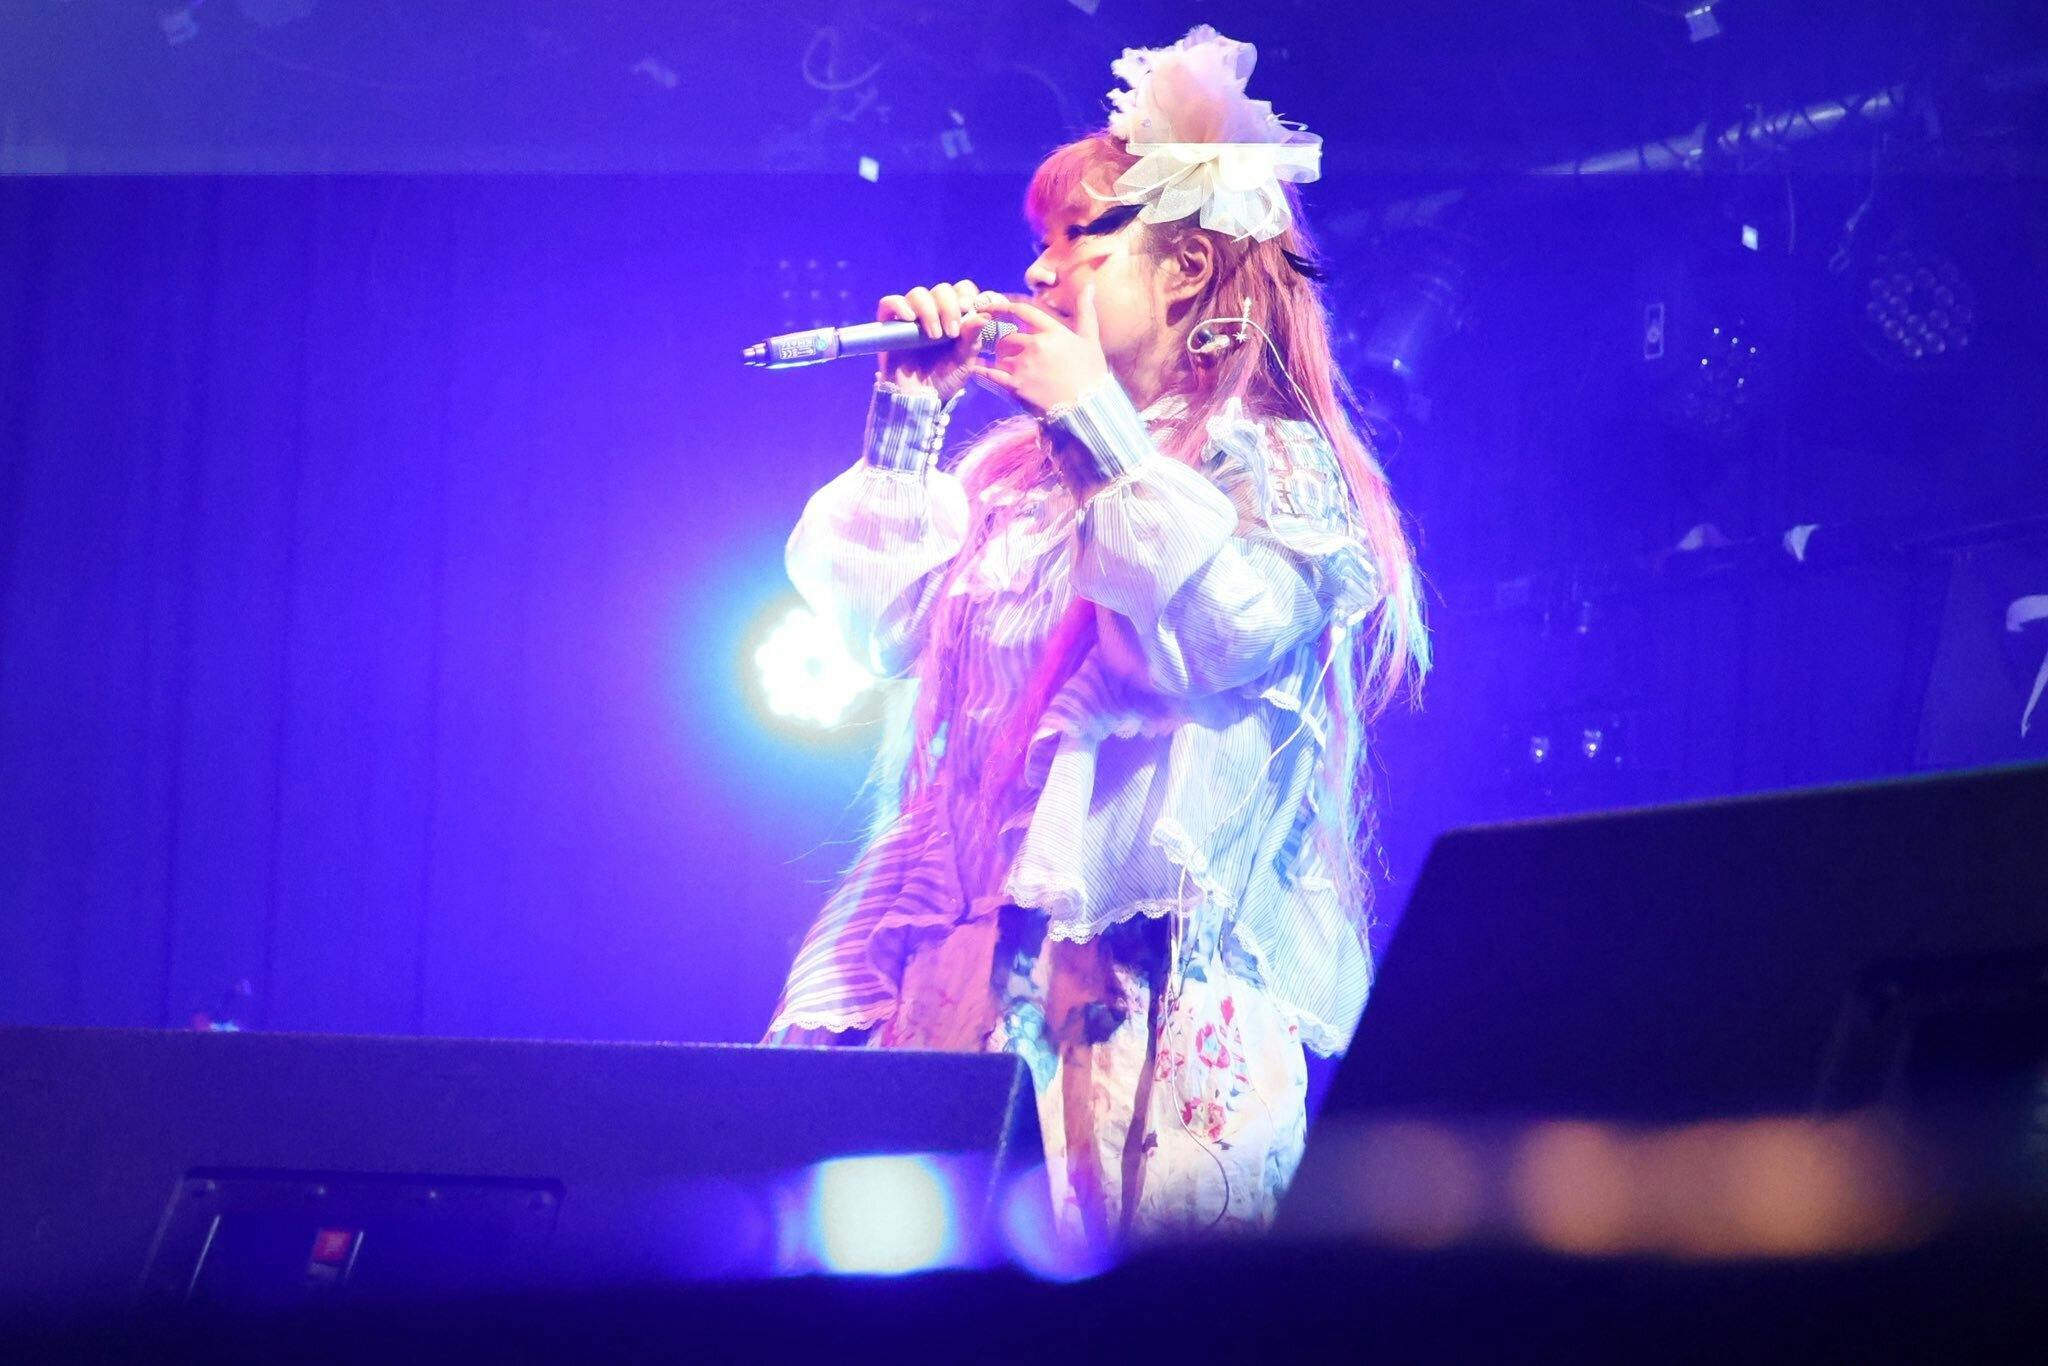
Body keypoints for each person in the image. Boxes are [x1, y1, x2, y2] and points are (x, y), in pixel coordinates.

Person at [764, 26, 1428, 1248]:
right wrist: (908, 418)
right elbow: (876, 632)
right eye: (1039, 240)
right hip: (959, 984)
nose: (1036, 269)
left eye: (1079, 236)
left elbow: (1215, 636)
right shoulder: (1007, 478)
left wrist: (1091, 423)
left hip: (1133, 997)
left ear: (1185, 269)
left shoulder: (1271, 467)